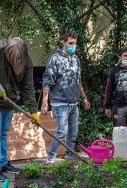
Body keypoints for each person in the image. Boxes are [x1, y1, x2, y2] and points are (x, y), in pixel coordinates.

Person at [0, 38, 40, 181]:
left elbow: (27, 86)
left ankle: (2, 163)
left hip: (9, 99)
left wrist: (33, 110)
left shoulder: (26, 60)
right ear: (7, 51)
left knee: (3, 132)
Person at [41, 31, 90, 163]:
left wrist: (84, 97)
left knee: (72, 133)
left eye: (74, 43)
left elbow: (77, 80)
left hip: (74, 102)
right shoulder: (55, 59)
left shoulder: (76, 59)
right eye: (70, 43)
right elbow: (47, 81)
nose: (73, 46)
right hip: (59, 102)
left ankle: (69, 158)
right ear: (63, 42)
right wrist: (44, 102)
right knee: (62, 132)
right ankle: (50, 158)